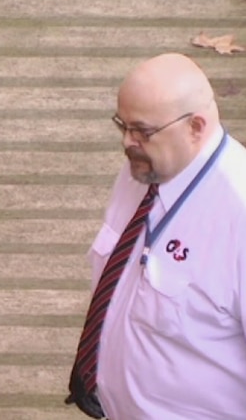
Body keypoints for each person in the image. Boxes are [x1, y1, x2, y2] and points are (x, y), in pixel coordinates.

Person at [66, 53, 246, 419]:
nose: (127, 143)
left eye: (142, 131)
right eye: (122, 126)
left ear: (195, 126)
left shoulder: (238, 215)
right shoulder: (143, 169)